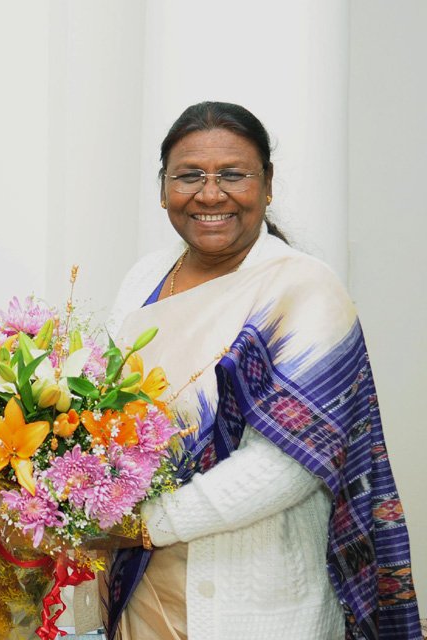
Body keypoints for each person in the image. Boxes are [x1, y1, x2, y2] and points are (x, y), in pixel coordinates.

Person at [103, 102, 420, 639]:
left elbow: (289, 465)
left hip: (256, 602)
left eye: (233, 175)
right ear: (162, 190)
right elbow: (104, 415)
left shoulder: (303, 288)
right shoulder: (145, 278)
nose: (209, 194)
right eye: (188, 177)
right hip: (140, 587)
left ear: (266, 185)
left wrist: (147, 525)